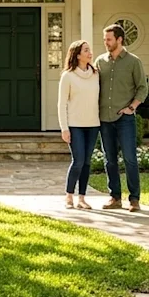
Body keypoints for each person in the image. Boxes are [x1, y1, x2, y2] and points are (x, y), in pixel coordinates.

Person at [95, 23, 148, 211]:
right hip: (105, 118)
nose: (106, 42)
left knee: (129, 158)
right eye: (104, 39)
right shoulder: (100, 61)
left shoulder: (133, 62)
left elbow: (142, 87)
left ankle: (134, 199)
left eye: (108, 39)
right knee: (109, 160)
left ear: (119, 39)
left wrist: (132, 107)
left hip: (124, 118)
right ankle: (114, 197)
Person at [58, 40, 101, 209]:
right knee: (78, 161)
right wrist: (64, 128)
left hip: (93, 124)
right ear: (77, 55)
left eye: (90, 49)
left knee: (87, 162)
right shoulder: (67, 76)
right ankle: (69, 195)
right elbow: (61, 104)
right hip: (75, 125)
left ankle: (82, 198)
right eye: (86, 50)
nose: (90, 53)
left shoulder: (96, 74)